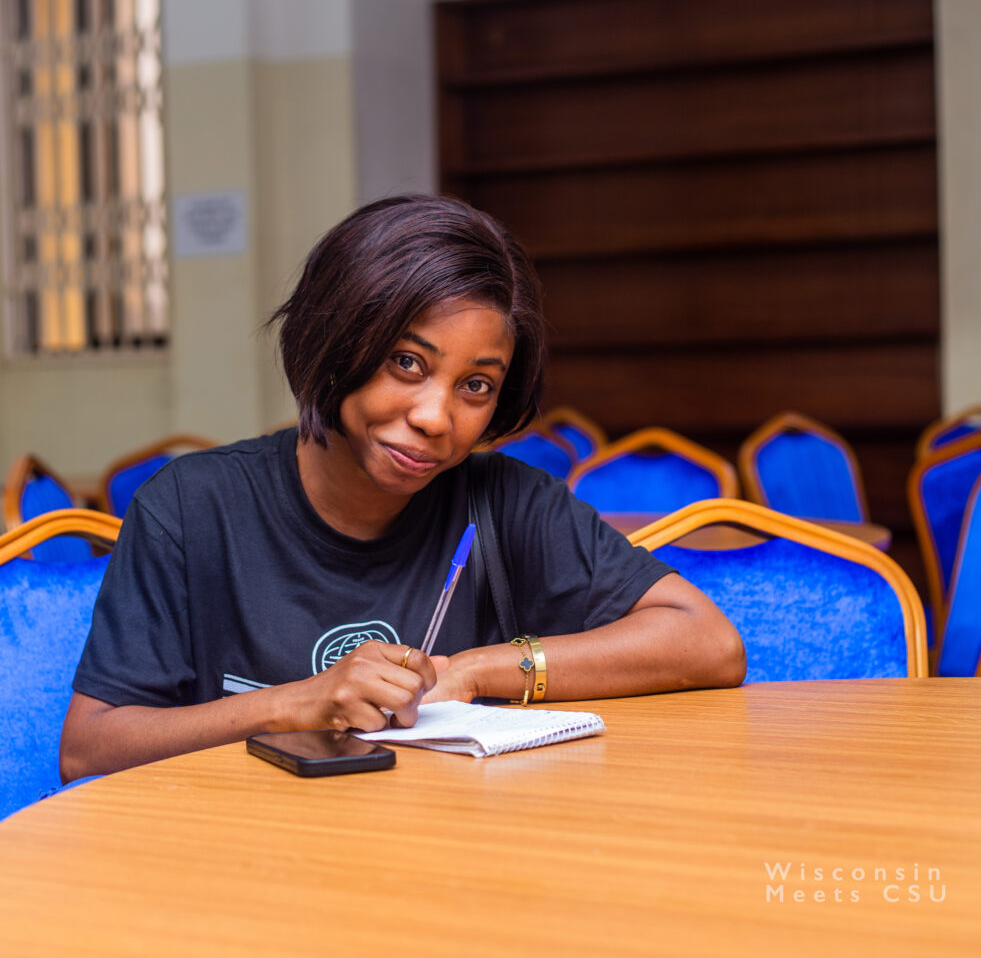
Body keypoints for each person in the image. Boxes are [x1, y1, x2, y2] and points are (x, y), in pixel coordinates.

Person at [60, 195, 744, 781]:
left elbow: (708, 642)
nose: (435, 417)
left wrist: (475, 671)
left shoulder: (504, 504)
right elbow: (89, 748)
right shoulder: (192, 508)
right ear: (334, 342)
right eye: (407, 362)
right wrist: (299, 703)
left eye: (475, 385)